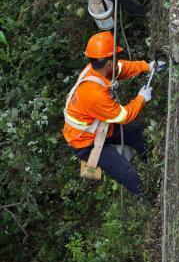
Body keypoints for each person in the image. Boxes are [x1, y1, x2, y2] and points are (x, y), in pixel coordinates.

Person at [63, 31, 158, 196]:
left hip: (99, 127)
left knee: (135, 132)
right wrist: (141, 98)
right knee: (127, 173)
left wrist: (146, 67)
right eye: (115, 57)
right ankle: (149, 199)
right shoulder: (94, 94)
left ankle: (152, 164)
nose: (117, 60)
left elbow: (120, 68)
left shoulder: (93, 70)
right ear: (108, 62)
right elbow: (123, 116)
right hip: (86, 144)